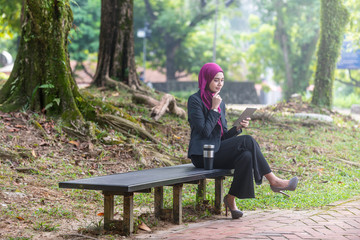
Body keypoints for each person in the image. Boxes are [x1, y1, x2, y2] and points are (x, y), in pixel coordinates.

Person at [187, 63, 298, 219]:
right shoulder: (195, 101)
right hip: (202, 156)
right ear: (206, 79)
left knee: (246, 156)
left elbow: (222, 136)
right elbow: (204, 132)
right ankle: (274, 181)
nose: (220, 84)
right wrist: (213, 109)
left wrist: (237, 128)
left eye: (222, 80)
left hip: (217, 150)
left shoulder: (219, 102)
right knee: (247, 141)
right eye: (216, 80)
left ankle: (230, 199)